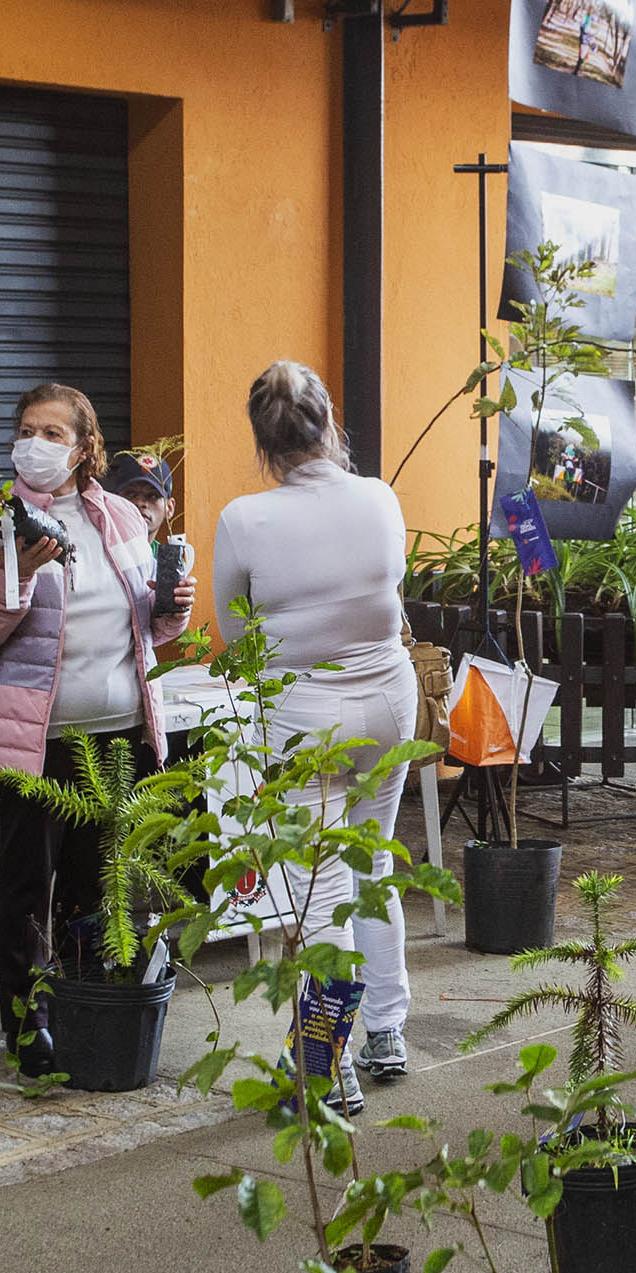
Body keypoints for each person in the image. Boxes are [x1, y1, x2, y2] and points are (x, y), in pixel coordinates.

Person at [0, 382, 197, 1077]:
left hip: (117, 732)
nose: (36, 442)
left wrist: (171, 608)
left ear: (86, 447)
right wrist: (12, 574)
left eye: (54, 432)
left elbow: (145, 624)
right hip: (33, 738)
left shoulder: (119, 516)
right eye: (28, 429)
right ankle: (29, 1029)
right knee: (28, 888)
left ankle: (88, 1014)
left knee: (95, 883)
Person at [213, 361, 420, 1109]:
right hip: (390, 706)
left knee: (322, 886)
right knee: (375, 867)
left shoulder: (243, 518)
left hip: (304, 721)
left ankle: (326, 1064)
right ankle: (387, 1028)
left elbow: (237, 639)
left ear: (263, 443)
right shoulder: (379, 498)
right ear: (331, 423)